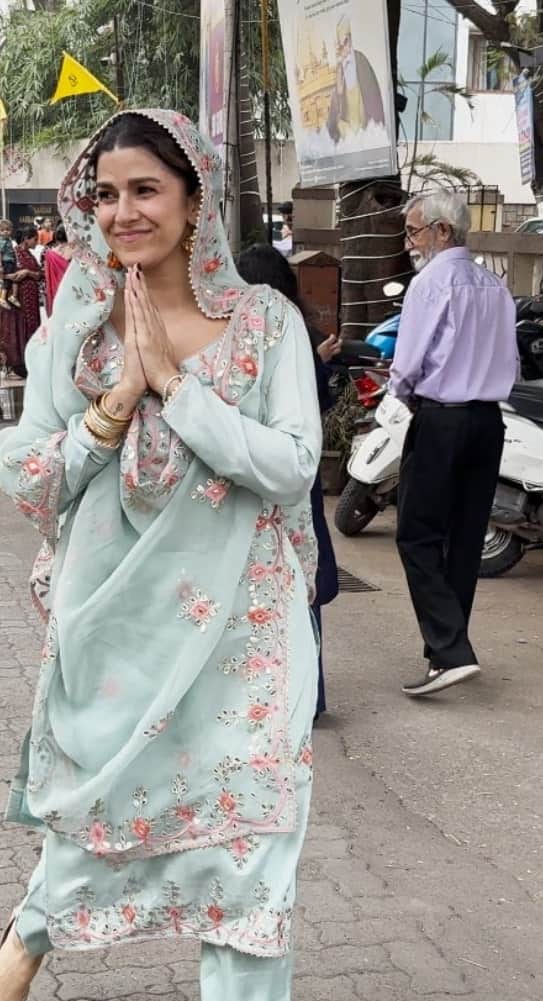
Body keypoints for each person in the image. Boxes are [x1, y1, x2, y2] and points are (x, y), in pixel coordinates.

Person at [0, 109, 323, 1001]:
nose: (124, 211)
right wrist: (116, 403)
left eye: (146, 189)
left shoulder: (265, 326)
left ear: (194, 197)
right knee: (114, 811)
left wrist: (180, 387)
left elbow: (293, 467)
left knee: (249, 855)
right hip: (117, 628)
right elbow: (27, 478)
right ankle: (33, 931)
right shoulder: (76, 334)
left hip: (244, 636)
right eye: (107, 192)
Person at [388, 190, 514, 697]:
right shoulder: (494, 285)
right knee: (464, 538)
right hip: (488, 421)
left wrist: (402, 393)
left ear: (443, 232)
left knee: (416, 534)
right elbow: (512, 360)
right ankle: (446, 652)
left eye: (414, 231)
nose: (410, 241)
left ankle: (451, 650)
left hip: (442, 418)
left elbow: (408, 362)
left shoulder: (431, 282)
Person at [237, 242, 342, 714]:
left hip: (253, 473)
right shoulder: (296, 329)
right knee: (303, 580)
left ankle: (273, 694)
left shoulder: (238, 333)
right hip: (298, 479)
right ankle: (310, 695)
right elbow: (315, 403)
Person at [0, 221, 41, 379]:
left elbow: (39, 274)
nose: (37, 242)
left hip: (30, 304)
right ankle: (15, 365)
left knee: (29, 332)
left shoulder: (30, 256)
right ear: (26, 239)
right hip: (14, 303)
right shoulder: (11, 252)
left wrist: (27, 272)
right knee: (14, 332)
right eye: (35, 239)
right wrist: (11, 276)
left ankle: (28, 363)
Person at [41, 226, 71, 317]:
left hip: (55, 288)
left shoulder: (50, 253)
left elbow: (47, 274)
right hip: (70, 287)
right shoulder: (75, 251)